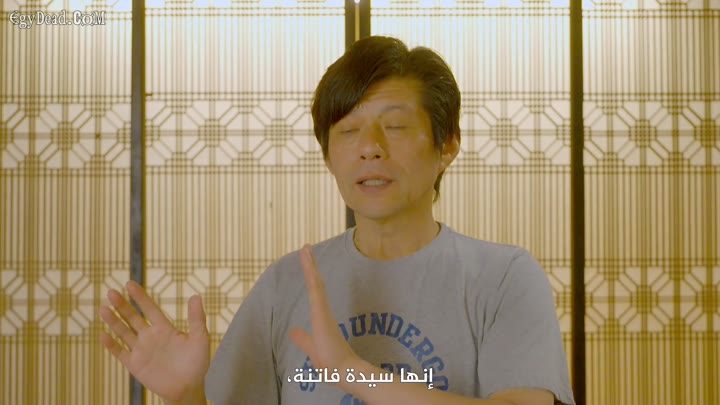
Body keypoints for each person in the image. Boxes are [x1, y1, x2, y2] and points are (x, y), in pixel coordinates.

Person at [99, 36, 575, 405]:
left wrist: (353, 372)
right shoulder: (284, 285)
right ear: (328, 156)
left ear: (447, 145)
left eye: (395, 126)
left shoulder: (503, 277)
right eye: (348, 131)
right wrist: (187, 397)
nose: (370, 147)